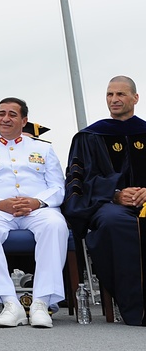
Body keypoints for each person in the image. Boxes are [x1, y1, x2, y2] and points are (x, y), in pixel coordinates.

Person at [0, 97, 67, 328]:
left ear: (24, 120)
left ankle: (41, 302)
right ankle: (10, 302)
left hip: (37, 209)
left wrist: (37, 202)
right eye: (1, 113)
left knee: (55, 225)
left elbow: (58, 187)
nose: (5, 118)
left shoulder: (44, 149)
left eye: (12, 114)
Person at [63, 76, 146, 326]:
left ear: (135, 98)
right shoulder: (89, 136)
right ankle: (133, 306)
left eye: (120, 94)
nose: (114, 99)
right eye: (110, 95)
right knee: (114, 223)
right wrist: (115, 194)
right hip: (107, 205)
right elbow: (80, 179)